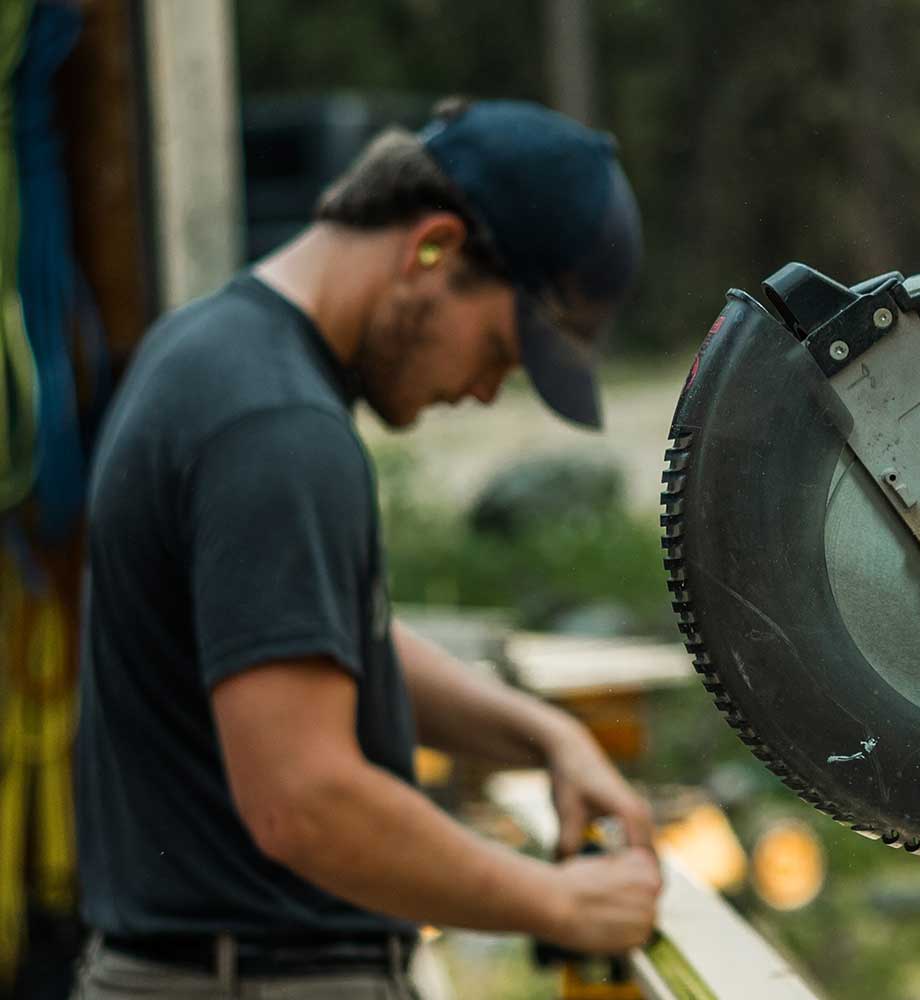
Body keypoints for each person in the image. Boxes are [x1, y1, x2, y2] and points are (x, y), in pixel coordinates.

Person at [70, 98, 661, 999]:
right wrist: (561, 903)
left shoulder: (214, 352)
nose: (490, 391)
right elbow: (302, 801)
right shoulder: (276, 429)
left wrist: (544, 736)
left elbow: (315, 644)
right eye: (503, 349)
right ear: (433, 247)